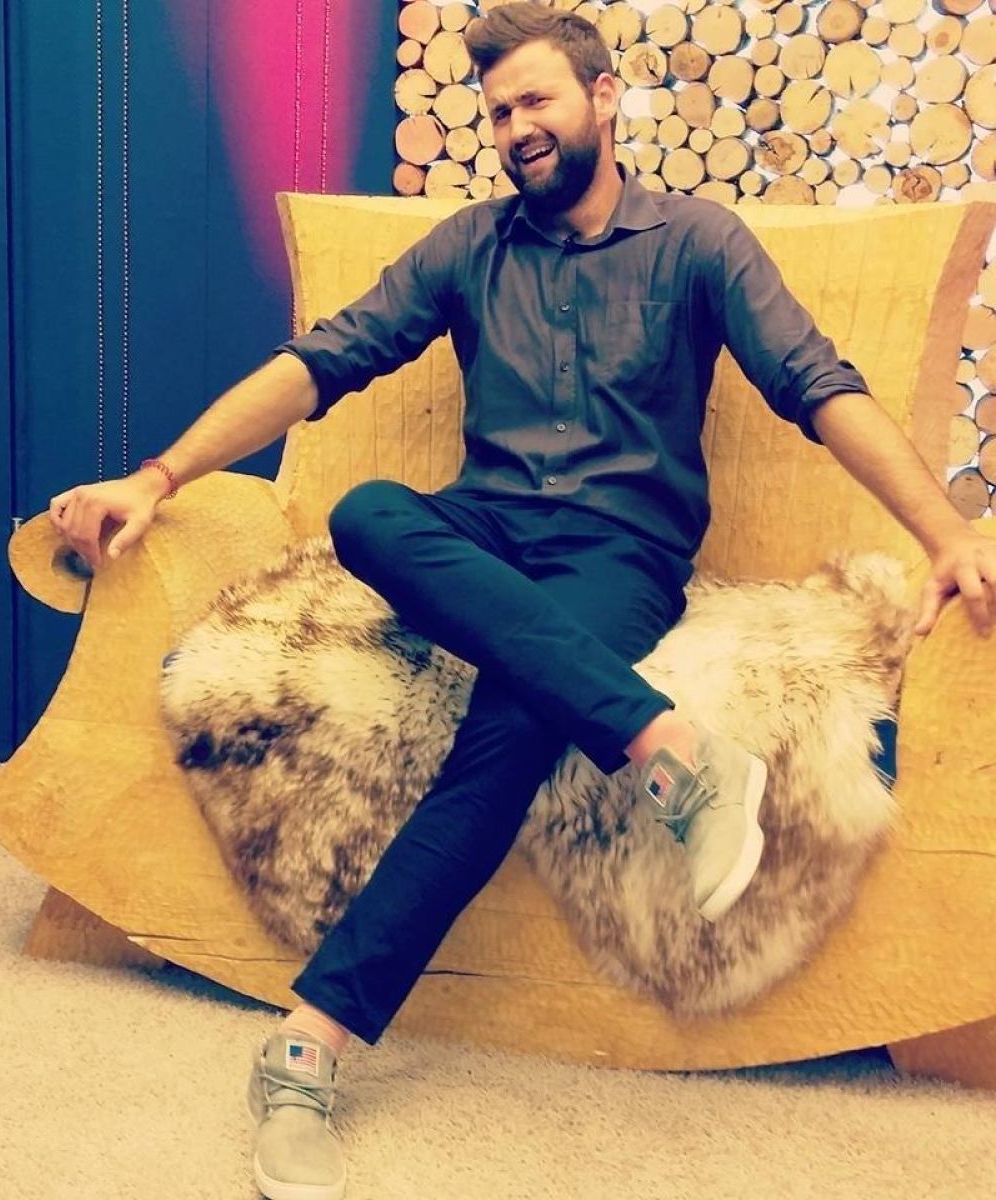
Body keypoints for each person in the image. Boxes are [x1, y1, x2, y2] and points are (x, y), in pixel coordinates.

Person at [49, 6, 994, 1198]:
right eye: (498, 112)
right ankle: (668, 750)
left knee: (504, 737)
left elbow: (819, 385)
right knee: (369, 515)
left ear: (603, 97)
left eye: (536, 100)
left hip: (619, 556)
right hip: (484, 533)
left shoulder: (699, 242)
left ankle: (307, 1047)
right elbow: (321, 362)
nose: (515, 128)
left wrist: (946, 533)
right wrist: (159, 476)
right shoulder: (470, 246)